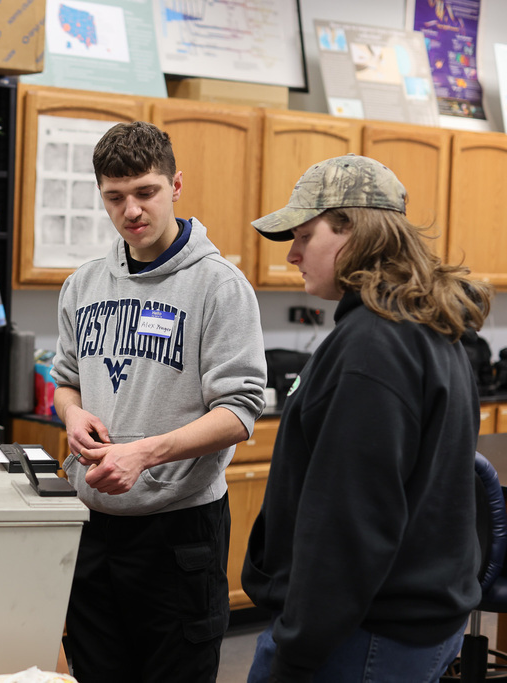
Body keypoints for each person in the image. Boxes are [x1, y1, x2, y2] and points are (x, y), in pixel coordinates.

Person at [242, 154, 492, 682]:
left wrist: (296, 651)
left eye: (305, 235)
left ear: (351, 229)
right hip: (408, 622)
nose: (291, 253)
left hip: (363, 634)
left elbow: (351, 522)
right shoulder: (427, 327)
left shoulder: (373, 348)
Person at [51, 121, 267, 682]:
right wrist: (72, 413)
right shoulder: (84, 284)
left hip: (180, 536)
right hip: (94, 529)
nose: (131, 211)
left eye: (145, 192)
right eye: (115, 197)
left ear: (175, 185)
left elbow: (241, 410)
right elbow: (66, 380)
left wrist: (144, 454)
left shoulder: (219, 285)